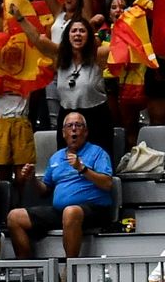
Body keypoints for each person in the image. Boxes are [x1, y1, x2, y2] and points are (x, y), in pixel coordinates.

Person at [6, 111, 115, 263]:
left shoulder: (97, 153)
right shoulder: (56, 157)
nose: (74, 129)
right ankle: (27, 267)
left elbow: (108, 184)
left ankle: (69, 269)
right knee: (14, 217)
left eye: (79, 125)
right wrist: (31, 179)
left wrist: (82, 169)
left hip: (93, 210)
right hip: (61, 212)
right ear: (63, 133)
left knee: (70, 212)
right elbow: (45, 190)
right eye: (69, 126)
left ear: (86, 131)